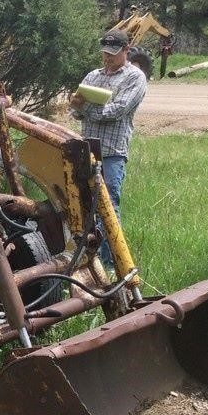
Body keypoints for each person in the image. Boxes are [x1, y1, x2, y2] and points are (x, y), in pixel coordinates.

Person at [69, 29, 147, 268]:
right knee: (83, 204)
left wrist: (86, 110)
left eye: (113, 53)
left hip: (112, 152)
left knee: (108, 205)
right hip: (87, 149)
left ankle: (111, 264)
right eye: (105, 53)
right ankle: (86, 260)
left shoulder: (135, 78)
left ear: (126, 50)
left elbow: (118, 111)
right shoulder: (92, 76)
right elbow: (75, 111)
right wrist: (77, 105)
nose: (108, 58)